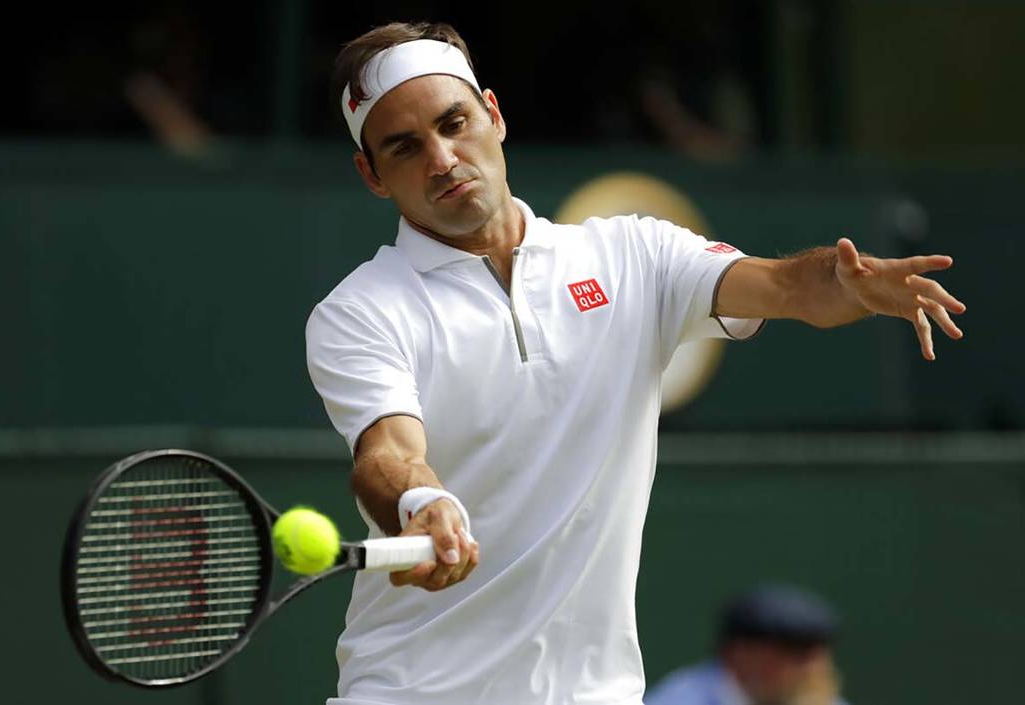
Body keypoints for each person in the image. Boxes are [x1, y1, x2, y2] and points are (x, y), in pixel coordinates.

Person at [305, 22, 965, 705]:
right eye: (405, 147)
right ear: (372, 175)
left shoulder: (633, 255)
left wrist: (845, 279)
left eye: (455, 123)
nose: (442, 159)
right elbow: (386, 453)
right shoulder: (360, 311)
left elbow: (787, 285)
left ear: (494, 115)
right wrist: (422, 500)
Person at [646, 585, 848, 705]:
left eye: (818, 655)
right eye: (795, 652)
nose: (813, 668)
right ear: (740, 654)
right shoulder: (679, 699)